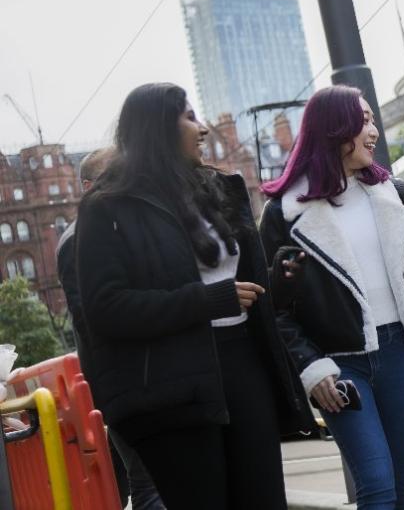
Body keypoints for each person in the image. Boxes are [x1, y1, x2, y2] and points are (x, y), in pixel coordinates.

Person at [74, 83, 315, 509]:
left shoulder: (220, 189)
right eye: (189, 117)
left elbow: (244, 289)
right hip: (172, 388)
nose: (202, 129)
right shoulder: (107, 205)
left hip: (244, 365)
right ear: (157, 128)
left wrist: (280, 282)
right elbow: (105, 308)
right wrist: (206, 301)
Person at [257, 84, 404, 510]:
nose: (374, 131)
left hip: (399, 352)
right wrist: (311, 366)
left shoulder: (395, 196)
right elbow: (275, 309)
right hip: (339, 366)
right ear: (334, 129)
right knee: (378, 484)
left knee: (401, 487)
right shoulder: (284, 215)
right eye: (363, 120)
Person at [56, 148, 165, 510]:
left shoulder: (116, 228)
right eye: (112, 177)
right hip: (121, 379)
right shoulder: (78, 238)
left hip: (138, 376)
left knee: (148, 478)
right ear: (88, 187)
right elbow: (92, 321)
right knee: (148, 480)